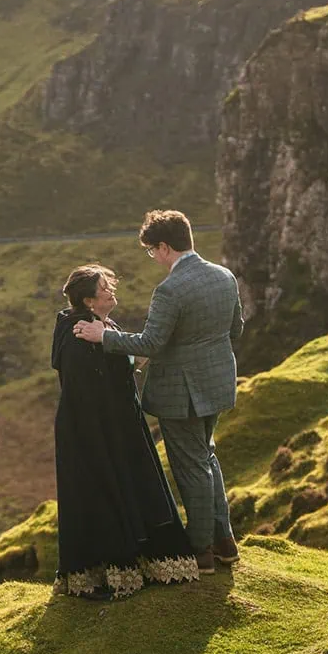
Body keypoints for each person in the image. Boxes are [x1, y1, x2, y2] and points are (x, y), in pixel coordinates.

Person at [74, 210, 245, 575]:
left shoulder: (170, 289)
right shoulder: (224, 276)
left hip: (182, 394)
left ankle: (201, 550)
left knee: (193, 467)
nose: (153, 258)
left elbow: (151, 342)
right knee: (207, 457)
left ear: (165, 247)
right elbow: (236, 329)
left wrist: (103, 336)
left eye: (152, 251)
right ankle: (224, 541)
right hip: (216, 385)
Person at [51, 264, 200, 600]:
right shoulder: (79, 333)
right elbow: (89, 385)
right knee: (106, 492)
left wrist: (143, 351)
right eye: (106, 287)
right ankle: (117, 573)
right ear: (89, 300)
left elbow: (120, 364)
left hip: (114, 424)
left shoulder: (99, 326)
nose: (112, 290)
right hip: (97, 430)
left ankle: (142, 565)